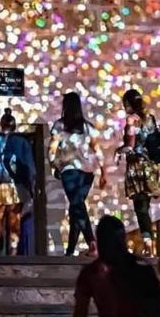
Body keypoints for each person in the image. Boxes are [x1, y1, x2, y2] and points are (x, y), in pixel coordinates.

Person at [48, 91, 107, 256]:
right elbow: (97, 150)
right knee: (76, 206)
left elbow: (52, 149)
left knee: (77, 206)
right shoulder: (88, 127)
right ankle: (70, 250)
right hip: (88, 172)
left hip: (69, 170)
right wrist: (103, 172)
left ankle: (92, 243)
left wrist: (54, 165)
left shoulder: (59, 126)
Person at [0, 108, 34, 255]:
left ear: (1, 125)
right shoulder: (21, 142)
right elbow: (29, 165)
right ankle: (13, 249)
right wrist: (32, 185)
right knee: (14, 218)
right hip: (16, 185)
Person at [117, 89, 160, 255]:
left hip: (137, 168)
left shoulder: (132, 120)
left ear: (128, 103)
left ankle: (149, 245)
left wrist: (118, 151)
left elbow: (130, 145)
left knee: (140, 208)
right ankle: (149, 243)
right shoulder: (150, 119)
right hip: (151, 167)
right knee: (145, 208)